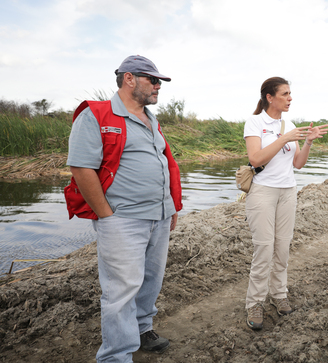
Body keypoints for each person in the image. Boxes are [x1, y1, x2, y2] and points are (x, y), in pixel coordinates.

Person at [65, 55, 182, 362]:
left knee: (150, 281)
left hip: (159, 215)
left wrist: (170, 208)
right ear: (129, 79)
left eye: (160, 82)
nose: (158, 86)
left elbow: (162, 163)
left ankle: (142, 329)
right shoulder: (95, 115)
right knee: (120, 291)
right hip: (123, 219)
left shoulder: (150, 119)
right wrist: (107, 215)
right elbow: (81, 168)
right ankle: (116, 356)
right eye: (153, 80)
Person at [243, 77, 328, 330]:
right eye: (285, 93)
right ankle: (255, 302)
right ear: (270, 97)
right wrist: (283, 138)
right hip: (262, 192)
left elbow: (298, 164)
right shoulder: (255, 122)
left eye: (291, 93)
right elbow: (255, 158)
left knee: (282, 247)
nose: (290, 98)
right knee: (263, 248)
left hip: (288, 191)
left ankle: (279, 294)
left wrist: (308, 141)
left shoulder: (288, 123)